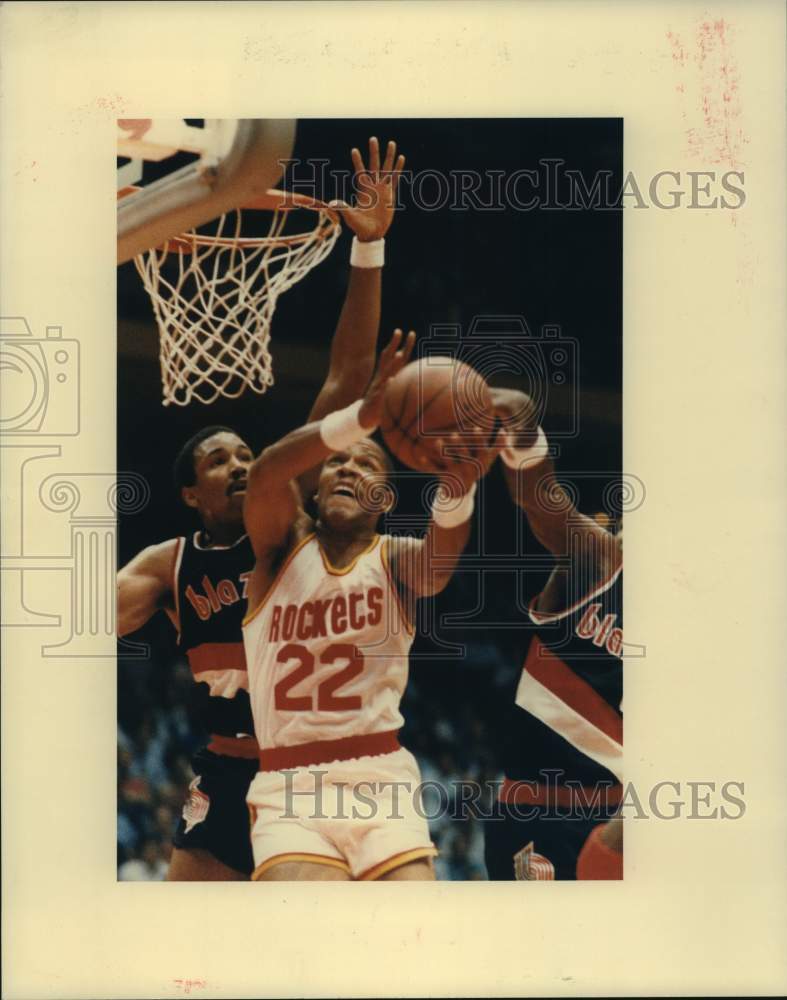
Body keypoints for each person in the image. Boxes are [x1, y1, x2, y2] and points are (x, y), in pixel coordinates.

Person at [117, 137, 406, 881]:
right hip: (224, 771)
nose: (243, 465)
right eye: (220, 461)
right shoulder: (167, 565)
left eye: (249, 454)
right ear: (190, 495)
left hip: (315, 768)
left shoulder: (286, 520)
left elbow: (346, 377)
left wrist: (368, 249)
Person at [242, 331, 502, 881]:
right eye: (337, 463)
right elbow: (266, 472)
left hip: (381, 779)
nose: (347, 469)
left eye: (366, 466)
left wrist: (459, 487)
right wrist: (360, 418)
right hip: (289, 787)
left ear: (384, 500)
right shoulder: (278, 550)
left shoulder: (397, 559)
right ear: (313, 490)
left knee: (410, 948)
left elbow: (437, 568)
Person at [483, 389, 623, 880]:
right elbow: (539, 499)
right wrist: (522, 435)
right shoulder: (601, 561)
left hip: (621, 819)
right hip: (540, 811)